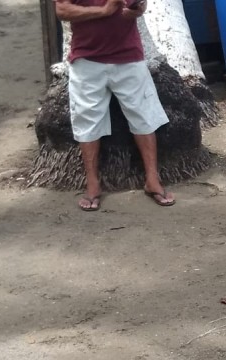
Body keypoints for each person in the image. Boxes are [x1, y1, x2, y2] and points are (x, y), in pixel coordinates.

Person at [55, 0, 175, 211]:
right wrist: (103, 11)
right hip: (86, 58)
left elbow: (138, 7)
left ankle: (152, 180)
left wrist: (136, 10)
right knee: (87, 119)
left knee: (144, 115)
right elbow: (62, 10)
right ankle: (93, 184)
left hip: (128, 55)